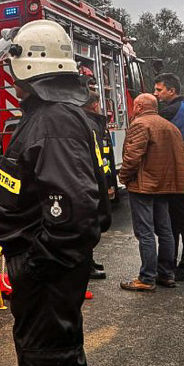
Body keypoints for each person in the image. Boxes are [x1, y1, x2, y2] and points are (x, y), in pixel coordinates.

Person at [0, 20, 105, 366]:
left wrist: (36, 265)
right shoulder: (54, 116)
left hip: (46, 267)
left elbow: (75, 212)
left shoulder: (53, 121)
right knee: (60, 345)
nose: (9, 78)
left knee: (44, 356)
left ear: (30, 66)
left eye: (12, 67)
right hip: (50, 263)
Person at [118, 93, 184, 292]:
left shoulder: (140, 124)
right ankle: (167, 274)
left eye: (135, 106)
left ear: (139, 106)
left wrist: (123, 177)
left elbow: (133, 156)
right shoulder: (170, 127)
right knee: (165, 231)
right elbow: (183, 154)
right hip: (164, 186)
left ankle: (147, 277)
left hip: (143, 186)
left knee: (145, 232)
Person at [154, 72, 184, 281]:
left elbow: (149, 122)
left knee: (183, 221)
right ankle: (170, 263)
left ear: (172, 91)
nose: (155, 94)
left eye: (159, 90)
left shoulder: (171, 110)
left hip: (179, 172)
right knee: (174, 221)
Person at [82, 91, 114, 281]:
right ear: (95, 105)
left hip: (92, 179)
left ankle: (89, 261)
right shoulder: (90, 124)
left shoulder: (88, 122)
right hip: (91, 181)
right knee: (88, 223)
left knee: (90, 222)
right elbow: (94, 157)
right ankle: (86, 263)